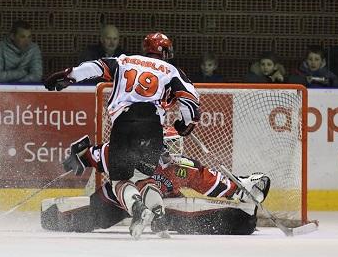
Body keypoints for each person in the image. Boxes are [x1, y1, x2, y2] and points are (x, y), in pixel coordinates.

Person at [44, 32, 201, 239]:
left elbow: (95, 67)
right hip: (154, 127)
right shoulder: (171, 70)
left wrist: (68, 75)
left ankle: (137, 209)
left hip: (125, 123)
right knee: (145, 178)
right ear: (164, 51)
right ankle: (158, 216)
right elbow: (191, 100)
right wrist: (186, 123)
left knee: (120, 180)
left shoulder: (124, 61)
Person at [41, 126, 271, 235]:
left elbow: (209, 181)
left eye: (176, 145)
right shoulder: (130, 154)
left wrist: (238, 190)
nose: (174, 151)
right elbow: (97, 153)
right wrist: (79, 157)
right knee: (95, 219)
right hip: (117, 201)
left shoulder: (182, 167)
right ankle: (54, 213)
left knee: (184, 220)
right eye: (169, 146)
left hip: (161, 206)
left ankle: (240, 221)